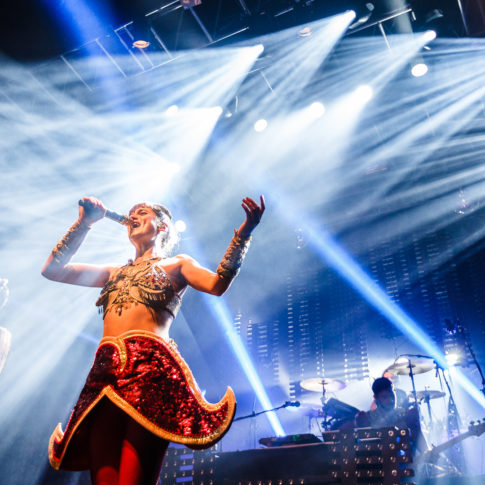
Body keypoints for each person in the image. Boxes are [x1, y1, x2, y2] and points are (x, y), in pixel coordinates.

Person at [42, 195, 265, 485]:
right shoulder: (113, 273)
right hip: (104, 375)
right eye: (131, 213)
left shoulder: (178, 264)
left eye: (142, 212)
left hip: (150, 373)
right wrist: (84, 223)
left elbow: (217, 284)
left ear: (162, 226)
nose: (133, 217)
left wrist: (244, 233)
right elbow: (53, 270)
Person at [355, 377, 427, 455]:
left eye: (392, 395)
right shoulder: (367, 418)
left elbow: (422, 446)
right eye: (384, 397)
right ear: (376, 398)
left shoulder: (407, 414)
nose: (390, 400)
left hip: (410, 464)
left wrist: (430, 455)